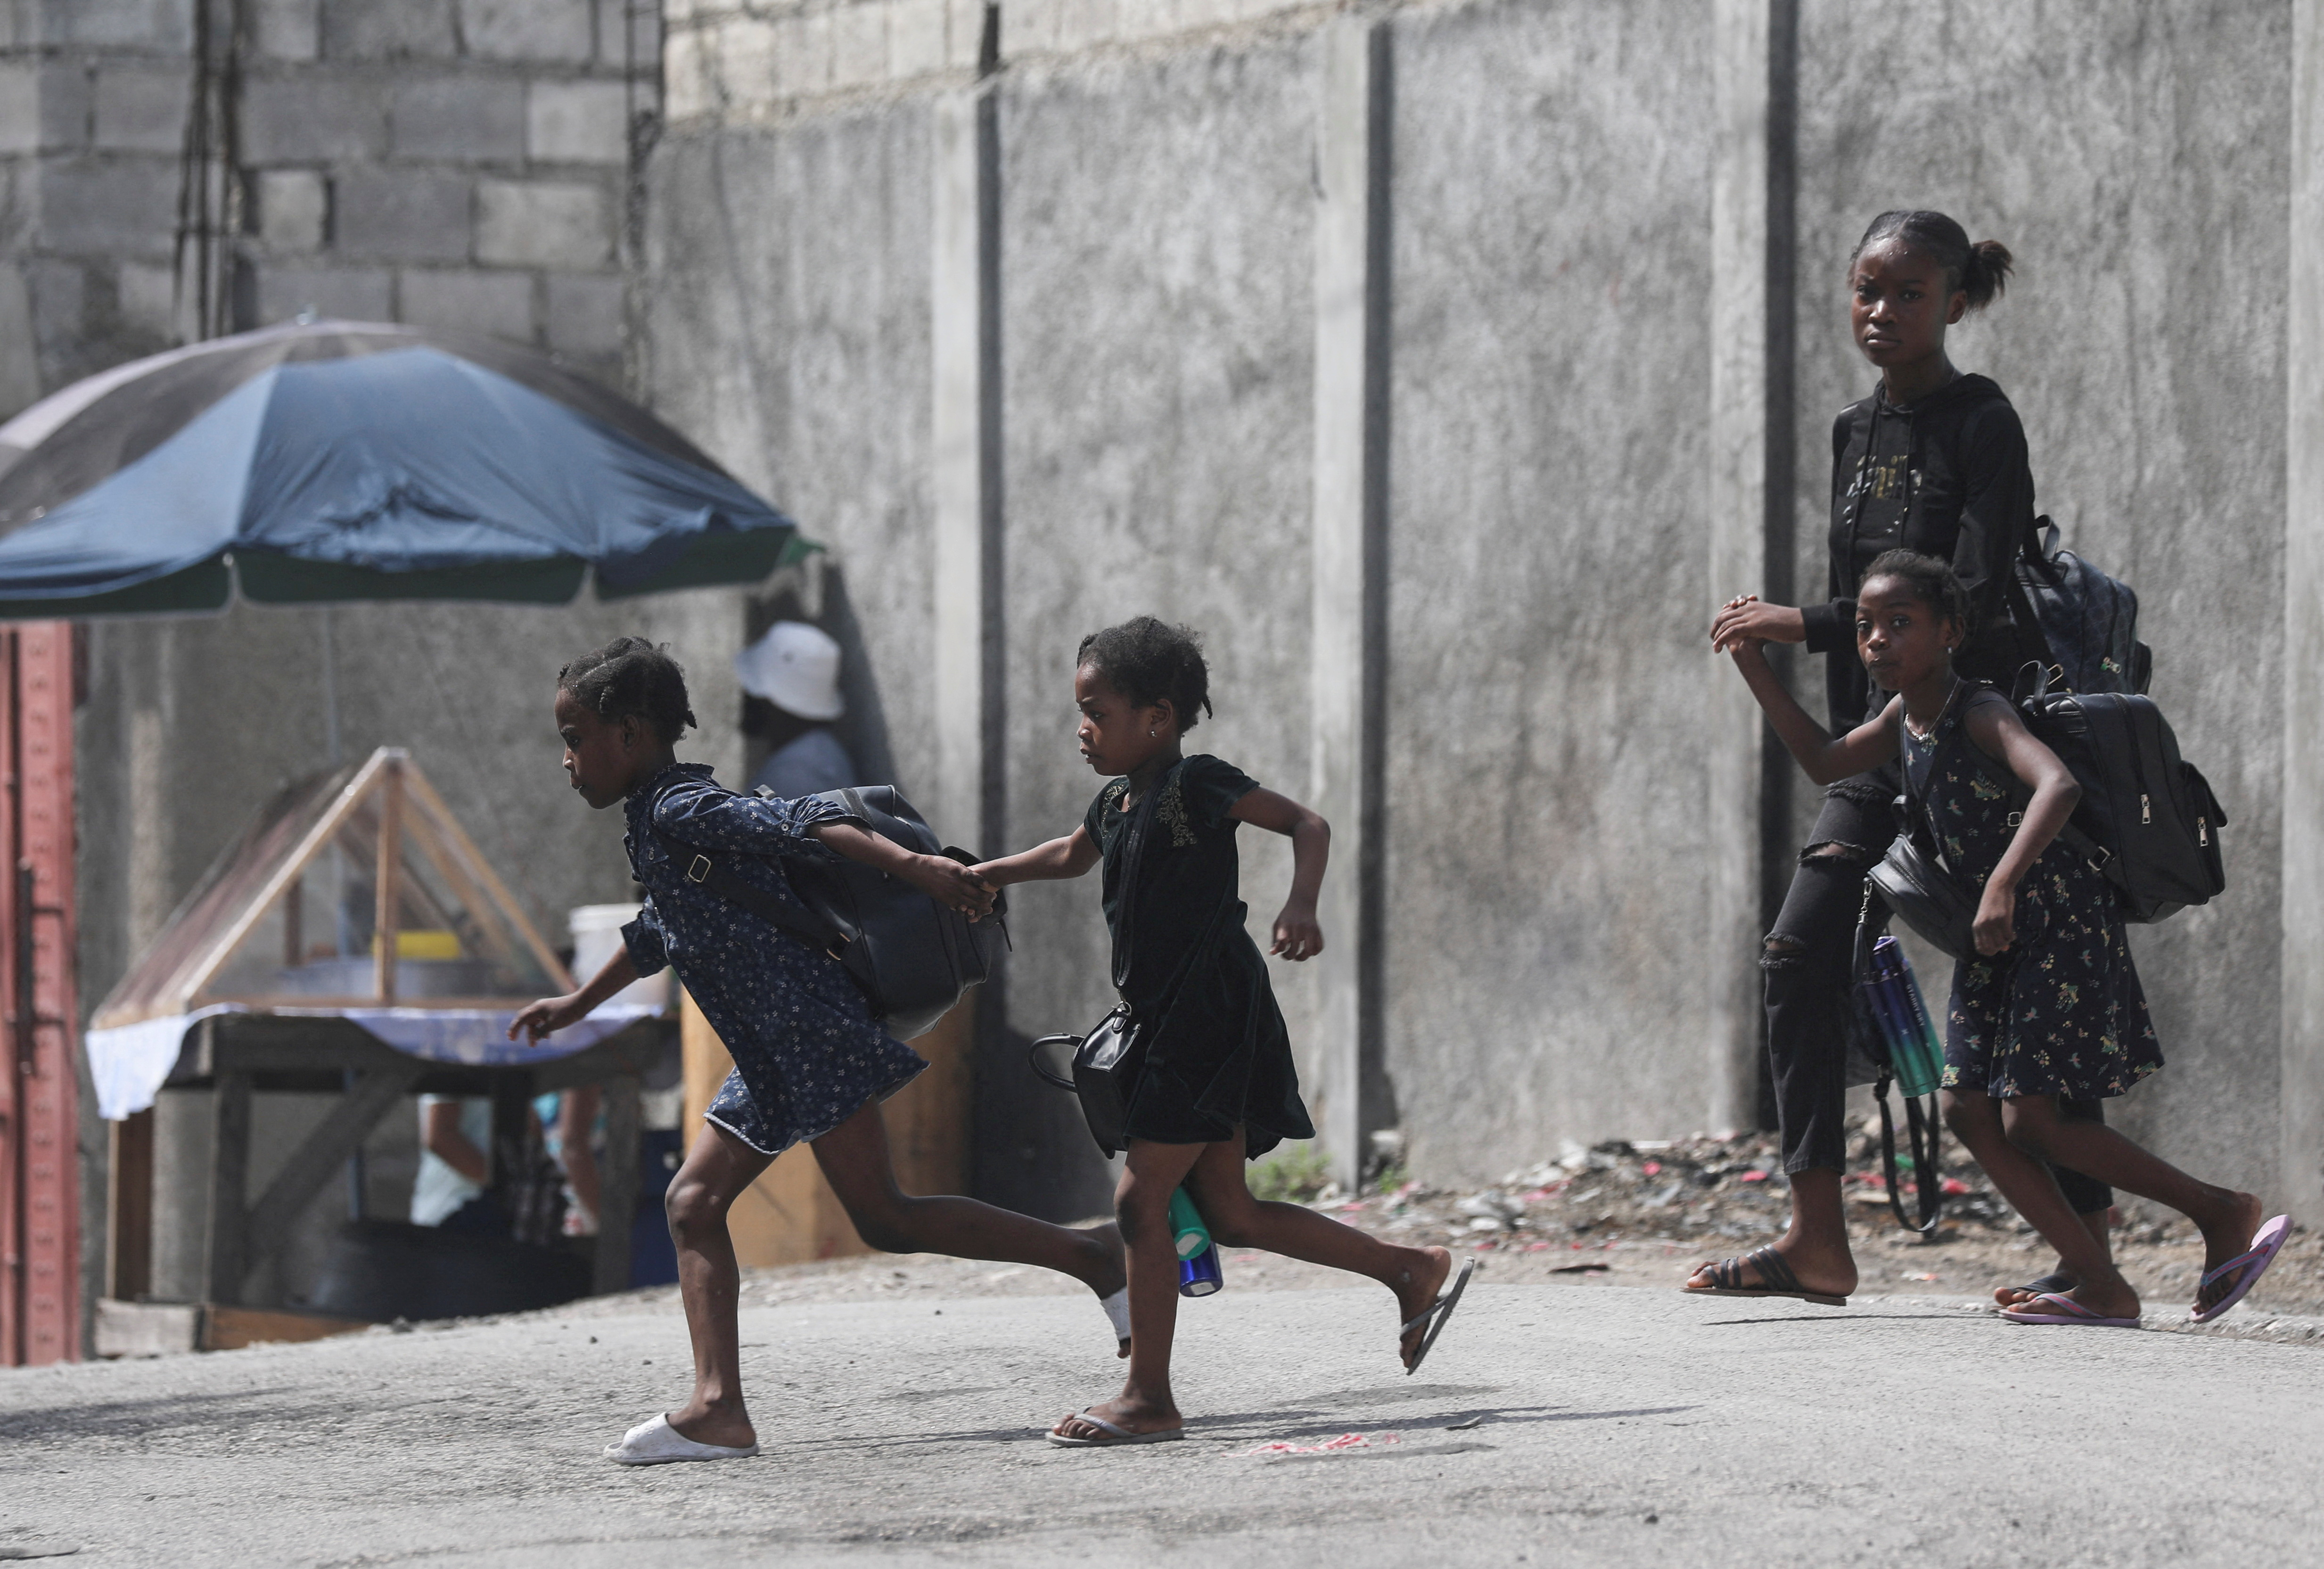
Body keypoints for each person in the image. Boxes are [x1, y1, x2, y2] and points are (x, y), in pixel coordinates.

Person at [509, 636, 1130, 1466]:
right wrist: (577, 1002)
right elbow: (662, 927)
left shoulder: (676, 809)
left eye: (575, 736)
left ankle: (1093, 1254)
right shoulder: (658, 818)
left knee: (887, 1217)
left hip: (809, 1037)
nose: (566, 759)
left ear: (627, 735)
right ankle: (717, 1406)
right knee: (695, 1202)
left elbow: (803, 816)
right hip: (775, 1050)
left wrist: (918, 867)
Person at [1692, 209, 2119, 1307]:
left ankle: (2091, 1239)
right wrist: (1833, 703)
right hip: (1878, 751)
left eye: (1908, 294)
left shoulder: (1983, 422)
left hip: (1969, 736)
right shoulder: (1854, 430)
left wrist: (1802, 621)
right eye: (1865, 291)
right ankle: (1816, 1238)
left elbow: (1964, 595)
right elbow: (1877, 605)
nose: (1880, 313)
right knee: (1797, 954)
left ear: (1954, 303)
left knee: (2032, 979)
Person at [1719, 550, 2288, 1325]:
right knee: (1966, 1109)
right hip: (2000, 940)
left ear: (1950, 631)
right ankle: (2101, 1283)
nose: (1877, 640)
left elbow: (2057, 782)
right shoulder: (1902, 718)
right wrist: (1755, 665)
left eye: (1899, 623)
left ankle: (2218, 1210)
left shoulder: (1977, 708)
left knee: (2034, 1118)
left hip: (2053, 923)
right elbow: (1825, 758)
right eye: (1864, 627)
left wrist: (2003, 880)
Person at [969, 617, 1470, 1447]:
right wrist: (986, 874)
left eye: (1097, 710)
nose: (1082, 728)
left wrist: (1301, 901)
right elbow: (1068, 854)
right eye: (1081, 711)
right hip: (1169, 1018)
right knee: (1229, 1211)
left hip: (1207, 1014)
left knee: (1140, 1201)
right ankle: (1407, 1268)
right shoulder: (1116, 800)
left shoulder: (1194, 783)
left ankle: (1148, 1394)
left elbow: (1307, 823)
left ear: (1156, 716)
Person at [736, 620, 858, 798]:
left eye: (753, 688)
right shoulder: (811, 755)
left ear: (773, 701)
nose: (745, 697)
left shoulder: (797, 774)